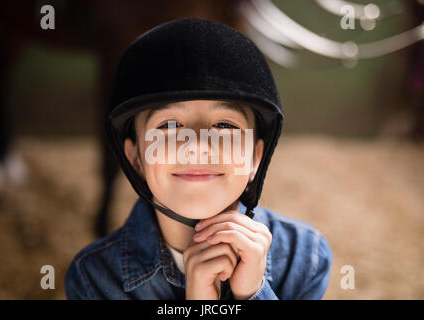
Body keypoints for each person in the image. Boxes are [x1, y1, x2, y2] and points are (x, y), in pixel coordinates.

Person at [65, 17, 332, 300]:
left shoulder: (305, 257)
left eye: (225, 126)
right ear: (135, 159)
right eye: (169, 126)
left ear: (255, 157)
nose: (197, 147)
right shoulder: (92, 279)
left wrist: (253, 294)